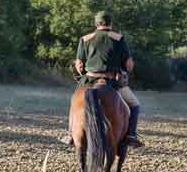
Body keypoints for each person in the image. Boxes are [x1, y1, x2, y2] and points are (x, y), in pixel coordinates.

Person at [61, 11, 143, 148]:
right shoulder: (118, 38)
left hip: (88, 81)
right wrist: (125, 68)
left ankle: (70, 134)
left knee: (74, 102)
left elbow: (79, 65)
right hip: (112, 81)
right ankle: (131, 135)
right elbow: (129, 65)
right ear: (110, 23)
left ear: (96, 23)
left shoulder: (85, 39)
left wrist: (83, 71)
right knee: (134, 105)